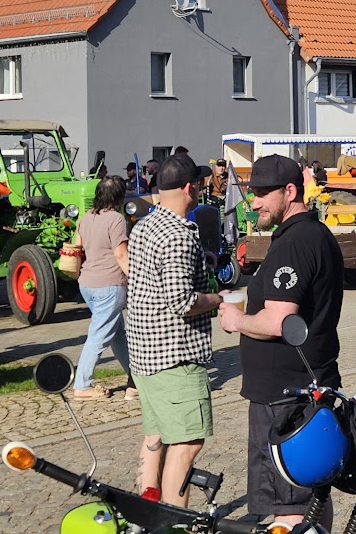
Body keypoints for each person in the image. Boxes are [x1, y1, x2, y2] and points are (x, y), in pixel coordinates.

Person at [220, 154, 345, 530]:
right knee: (313, 494)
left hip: (284, 396)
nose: (254, 201)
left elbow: (278, 321)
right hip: (310, 383)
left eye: (262, 193)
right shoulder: (316, 234)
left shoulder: (294, 243)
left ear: (290, 191)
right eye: (252, 192)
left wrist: (236, 320)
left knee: (288, 503)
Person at [124, 153, 221, 508]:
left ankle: (147, 511)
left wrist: (202, 264)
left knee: (156, 434)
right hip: (175, 356)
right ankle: (172, 520)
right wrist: (218, 299)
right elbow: (182, 301)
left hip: (144, 354)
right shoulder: (179, 234)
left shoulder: (144, 225)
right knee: (187, 442)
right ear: (189, 188)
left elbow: (155, 278)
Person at [74, 175, 134, 398]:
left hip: (87, 284)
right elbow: (121, 254)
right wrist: (137, 279)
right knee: (99, 335)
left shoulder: (86, 217)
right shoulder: (116, 219)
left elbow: (78, 245)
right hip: (109, 285)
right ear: (119, 197)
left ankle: (136, 377)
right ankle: (82, 385)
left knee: (116, 334)